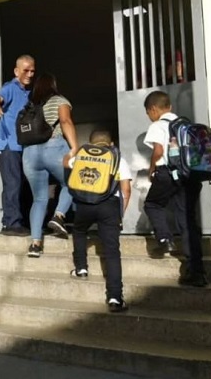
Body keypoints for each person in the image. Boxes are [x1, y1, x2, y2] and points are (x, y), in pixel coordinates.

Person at [142, 90, 206, 286]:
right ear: (169, 106)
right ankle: (196, 272)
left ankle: (164, 239)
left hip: (168, 173)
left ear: (153, 109)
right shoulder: (186, 125)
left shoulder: (158, 125)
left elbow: (159, 151)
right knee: (187, 220)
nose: (149, 116)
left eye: (148, 113)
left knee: (152, 204)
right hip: (190, 175)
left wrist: (151, 170)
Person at [66, 129, 132, 312]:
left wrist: (71, 152)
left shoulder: (81, 156)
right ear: (110, 143)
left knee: (79, 231)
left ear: (91, 143)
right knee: (112, 251)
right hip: (109, 207)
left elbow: (66, 163)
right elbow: (126, 190)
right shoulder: (118, 159)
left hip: (84, 205)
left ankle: (81, 268)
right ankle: (115, 298)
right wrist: (120, 214)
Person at [22, 72, 79, 257]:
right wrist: (74, 147)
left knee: (39, 199)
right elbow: (65, 121)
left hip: (30, 153)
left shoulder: (31, 105)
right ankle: (59, 215)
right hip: (54, 148)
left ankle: (35, 244)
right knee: (72, 183)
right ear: (53, 85)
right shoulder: (59, 100)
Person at [0, 55, 34, 234]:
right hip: (7, 145)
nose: (30, 74)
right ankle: (11, 223)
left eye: (32, 71)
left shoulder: (27, 93)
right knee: (13, 183)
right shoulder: (10, 87)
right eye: (26, 70)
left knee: (20, 184)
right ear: (17, 71)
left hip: (20, 147)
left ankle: (18, 220)